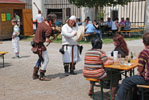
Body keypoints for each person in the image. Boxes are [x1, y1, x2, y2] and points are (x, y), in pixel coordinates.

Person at [115, 32, 149, 100]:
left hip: (147, 79)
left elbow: (140, 69)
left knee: (126, 81)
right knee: (133, 80)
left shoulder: (144, 53)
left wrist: (140, 72)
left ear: (143, 42)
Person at [32, 13, 57, 81]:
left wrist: (52, 33)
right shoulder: (48, 28)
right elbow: (46, 40)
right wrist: (50, 40)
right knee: (46, 60)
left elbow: (43, 32)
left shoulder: (42, 23)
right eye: (55, 19)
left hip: (35, 43)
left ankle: (34, 74)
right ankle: (41, 76)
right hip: (39, 45)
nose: (55, 20)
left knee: (40, 58)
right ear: (52, 19)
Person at [108, 34, 129, 100]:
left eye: (114, 41)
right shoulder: (123, 47)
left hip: (117, 67)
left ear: (117, 42)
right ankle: (113, 89)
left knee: (112, 73)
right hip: (121, 66)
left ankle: (112, 93)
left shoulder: (118, 49)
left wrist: (110, 57)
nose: (113, 42)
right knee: (114, 73)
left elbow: (118, 58)